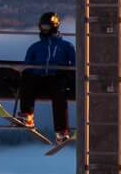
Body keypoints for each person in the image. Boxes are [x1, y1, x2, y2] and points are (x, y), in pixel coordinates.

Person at [16, 11, 76, 139]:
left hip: (57, 79)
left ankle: (61, 130)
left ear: (54, 27)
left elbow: (75, 65)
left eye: (46, 27)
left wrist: (73, 80)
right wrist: (25, 75)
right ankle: (27, 116)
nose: (44, 30)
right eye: (42, 27)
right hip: (39, 79)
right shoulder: (35, 47)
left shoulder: (66, 46)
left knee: (59, 93)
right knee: (28, 81)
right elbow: (28, 66)